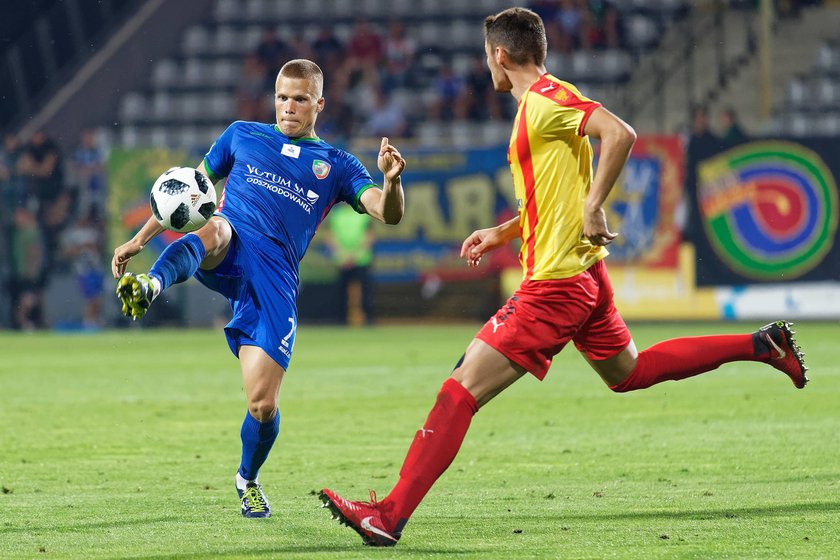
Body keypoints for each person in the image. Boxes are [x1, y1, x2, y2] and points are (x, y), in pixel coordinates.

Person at [318, 8, 808, 547]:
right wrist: (504, 233)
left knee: (457, 393)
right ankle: (761, 345)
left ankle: (387, 517)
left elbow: (620, 134)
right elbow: (552, 195)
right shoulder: (549, 100)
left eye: (487, 58)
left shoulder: (545, 101)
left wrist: (597, 204)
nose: (488, 68)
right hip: (583, 277)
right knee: (631, 372)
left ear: (500, 56)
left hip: (554, 286)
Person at [112, 59, 406, 518]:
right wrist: (138, 240)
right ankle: (151, 284)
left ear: (319, 104)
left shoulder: (338, 164)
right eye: (282, 97)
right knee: (215, 229)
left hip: (275, 282)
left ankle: (246, 478)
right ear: (274, 98)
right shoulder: (242, 135)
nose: (289, 107)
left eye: (301, 99)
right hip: (232, 244)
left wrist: (391, 181)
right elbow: (186, 191)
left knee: (263, 404)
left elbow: (386, 212)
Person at [326, 204, 376, 326]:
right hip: (342, 260)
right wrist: (342, 254)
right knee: (341, 292)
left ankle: (368, 319)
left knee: (365, 291)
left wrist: (354, 255)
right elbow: (329, 236)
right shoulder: (336, 215)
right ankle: (341, 320)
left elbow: (370, 236)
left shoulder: (363, 214)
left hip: (361, 259)